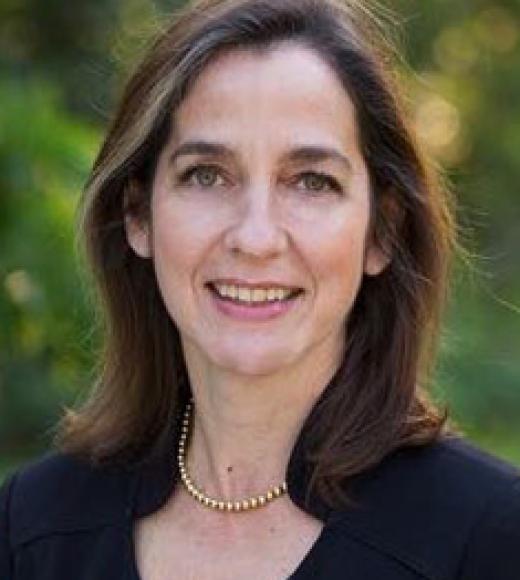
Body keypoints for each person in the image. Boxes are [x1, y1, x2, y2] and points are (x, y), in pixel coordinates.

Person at [1, 0, 519, 578]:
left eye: (311, 181)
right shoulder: (30, 531)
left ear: (382, 232)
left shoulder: (493, 539)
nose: (255, 237)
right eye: (206, 174)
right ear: (137, 215)